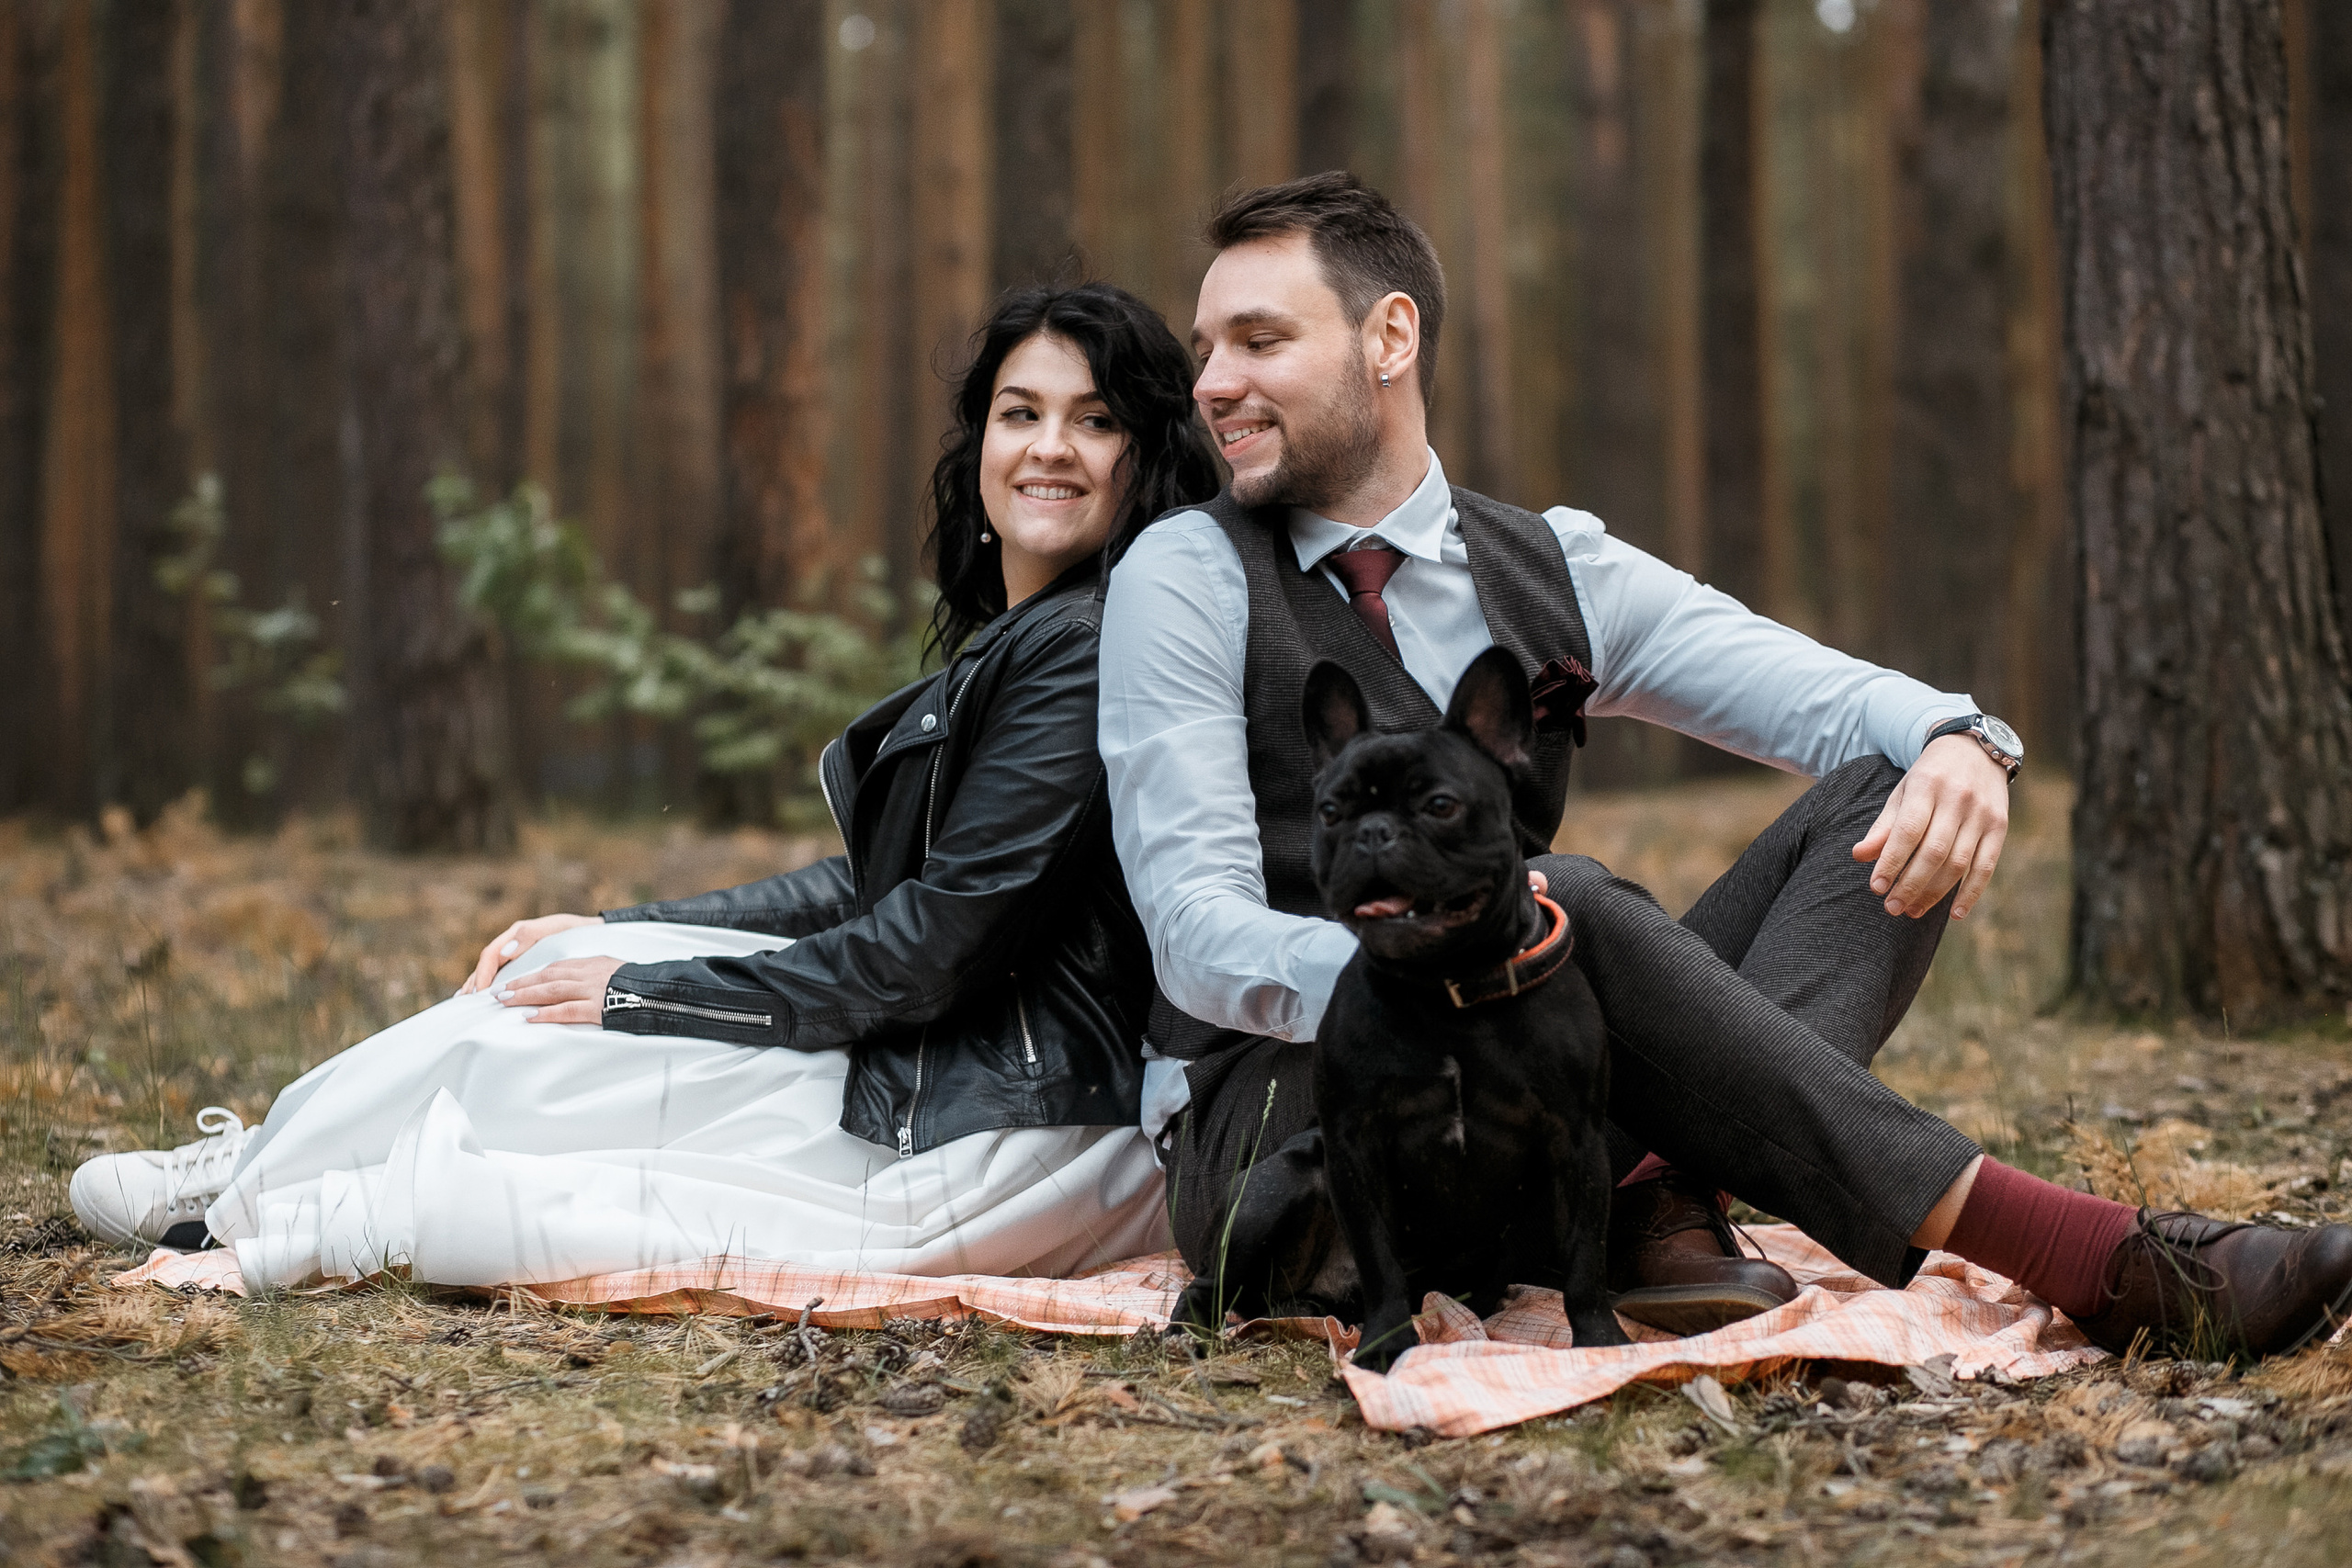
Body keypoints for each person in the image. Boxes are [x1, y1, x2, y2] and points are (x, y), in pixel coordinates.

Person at [1103, 173, 2352, 1357]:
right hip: (1293, 1135)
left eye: (1258, 340)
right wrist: (1456, 956)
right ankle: (2091, 1252)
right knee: (1565, 899)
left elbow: (1837, 698)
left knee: (1879, 785)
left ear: (1390, 337)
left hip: (1526, 1109)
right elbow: (1196, 934)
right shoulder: (1189, 573)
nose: (1212, 382)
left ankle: (1660, 1189)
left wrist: (1969, 743)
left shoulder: (1551, 564)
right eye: (1206, 347)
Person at [70, 282, 1222, 1290]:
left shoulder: (1088, 645)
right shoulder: (1031, 639)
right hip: (964, 1053)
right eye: (1021, 414)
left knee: (556, 1043)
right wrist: (625, 930)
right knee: (545, 973)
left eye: (1097, 421)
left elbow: (929, 946)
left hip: (1003, 1102)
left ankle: (268, 1192)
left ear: (1145, 455)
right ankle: (273, 1153)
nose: (1050, 448)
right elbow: (884, 885)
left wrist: (641, 990)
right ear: (977, 449)